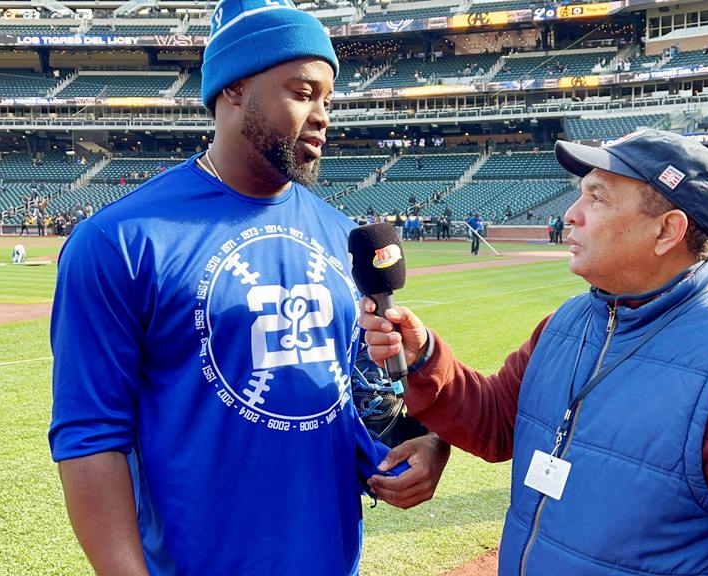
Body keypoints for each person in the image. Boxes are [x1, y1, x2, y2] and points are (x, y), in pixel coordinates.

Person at [49, 2, 449, 575]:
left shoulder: (341, 234)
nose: (322, 116)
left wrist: (426, 444)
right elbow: (90, 437)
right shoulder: (119, 241)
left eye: (328, 99)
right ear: (233, 88)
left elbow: (344, 398)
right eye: (302, 93)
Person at [360, 130, 708, 575]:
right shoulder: (566, 323)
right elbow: (494, 422)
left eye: (597, 198)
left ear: (667, 230)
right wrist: (424, 356)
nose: (571, 214)